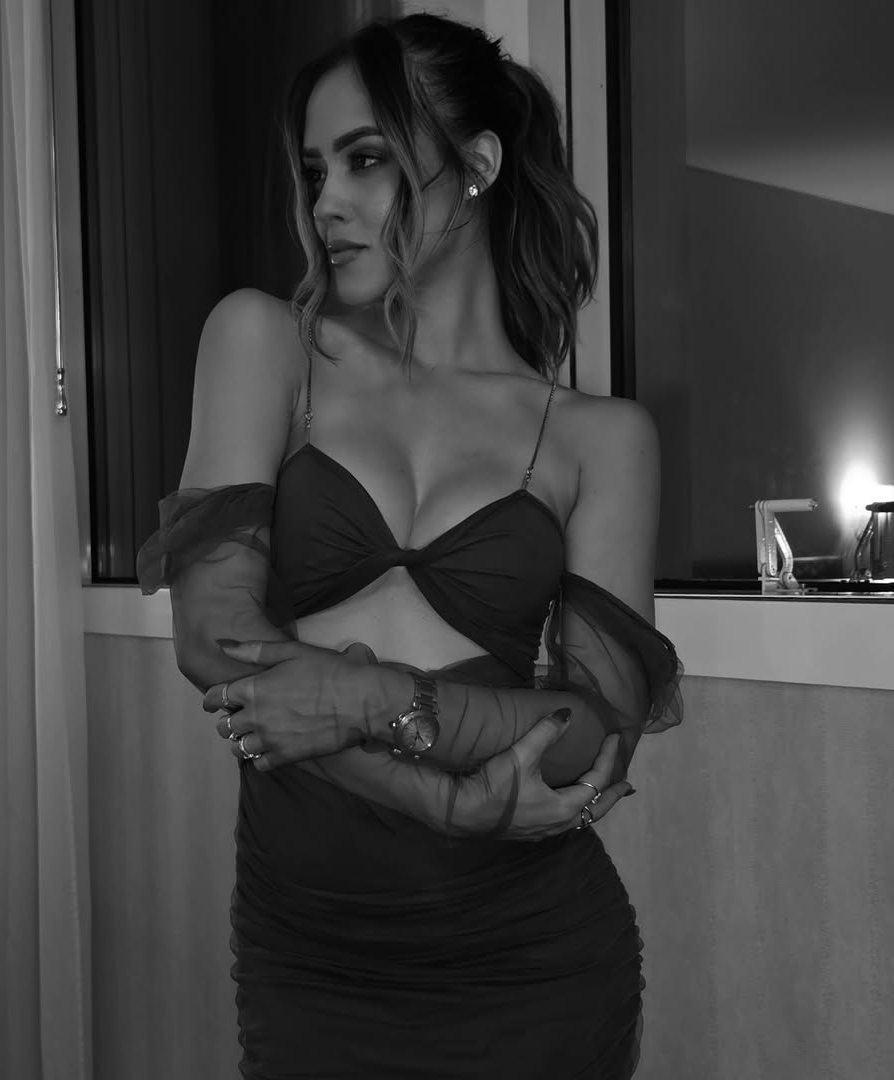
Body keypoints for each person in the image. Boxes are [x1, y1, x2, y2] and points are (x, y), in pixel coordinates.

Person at [137, 13, 683, 1078]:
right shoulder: (266, 343)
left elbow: (592, 734)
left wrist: (362, 699)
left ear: (477, 165)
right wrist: (443, 798)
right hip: (312, 962)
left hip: (534, 967)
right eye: (314, 170)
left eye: (367, 160)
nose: (324, 204)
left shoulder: (599, 438)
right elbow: (215, 639)